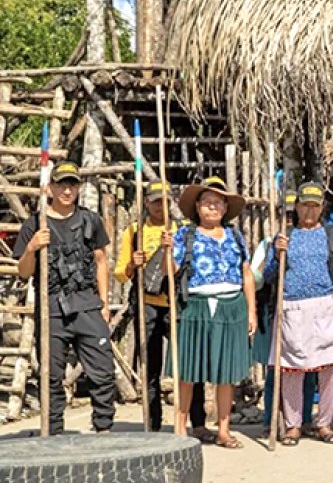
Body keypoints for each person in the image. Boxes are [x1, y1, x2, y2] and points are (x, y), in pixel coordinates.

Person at [14, 161, 115, 434]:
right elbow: (23, 272)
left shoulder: (90, 220)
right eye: (61, 184)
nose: (67, 190)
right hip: (52, 308)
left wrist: (104, 303)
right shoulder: (35, 224)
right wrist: (33, 247)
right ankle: (53, 433)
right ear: (50, 187)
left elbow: (101, 261)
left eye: (72, 184)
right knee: (50, 375)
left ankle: (103, 429)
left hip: (86, 304)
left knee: (103, 371)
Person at [163, 176, 257, 448]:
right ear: (198, 207)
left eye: (218, 202)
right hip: (196, 307)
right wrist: (167, 251)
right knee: (189, 371)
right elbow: (172, 272)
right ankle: (180, 428)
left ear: (226, 208)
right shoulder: (185, 235)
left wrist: (251, 310)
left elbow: (247, 274)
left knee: (225, 373)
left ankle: (224, 430)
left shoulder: (235, 236)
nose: (213, 207)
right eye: (207, 202)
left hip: (231, 306)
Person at [115, 180, 211, 438]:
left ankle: (198, 422)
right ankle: (153, 424)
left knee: (191, 365)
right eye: (155, 201)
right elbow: (119, 274)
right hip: (148, 305)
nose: (160, 206)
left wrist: (173, 250)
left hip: (178, 305)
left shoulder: (181, 231)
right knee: (150, 366)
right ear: (146, 202)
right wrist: (133, 266)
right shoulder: (135, 232)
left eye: (164, 201)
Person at [263, 182, 333, 445]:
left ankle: (324, 423)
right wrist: (277, 254)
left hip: (326, 306)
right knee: (292, 368)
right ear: (297, 206)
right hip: (292, 308)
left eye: (315, 205)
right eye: (305, 205)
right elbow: (269, 275)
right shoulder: (285, 235)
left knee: (329, 368)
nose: (309, 210)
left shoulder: (331, 235)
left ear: (322, 207)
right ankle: (293, 425)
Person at [252, 190, 318, 436]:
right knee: (276, 369)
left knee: (308, 367)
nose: (291, 218)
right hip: (276, 311)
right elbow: (259, 278)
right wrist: (275, 255)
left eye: (294, 213)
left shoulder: (314, 240)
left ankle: (304, 419)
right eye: (287, 213)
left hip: (305, 311)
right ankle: (271, 419)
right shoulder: (269, 243)